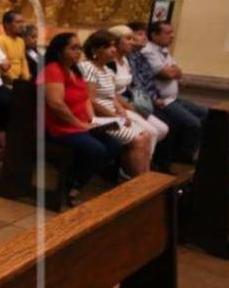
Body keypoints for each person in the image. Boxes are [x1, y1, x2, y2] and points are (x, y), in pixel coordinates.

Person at [38, 33, 122, 203]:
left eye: (80, 48)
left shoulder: (74, 69)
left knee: (114, 145)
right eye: (73, 48)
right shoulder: (53, 69)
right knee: (96, 150)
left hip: (81, 124)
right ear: (59, 50)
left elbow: (85, 98)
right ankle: (72, 185)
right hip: (61, 127)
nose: (78, 52)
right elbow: (56, 104)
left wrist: (92, 120)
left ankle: (76, 179)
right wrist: (79, 124)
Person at [79, 30, 153, 176]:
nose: (113, 50)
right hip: (97, 118)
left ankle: (145, 178)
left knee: (146, 135)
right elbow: (91, 100)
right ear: (95, 49)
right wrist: (115, 116)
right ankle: (137, 180)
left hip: (111, 115)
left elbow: (113, 96)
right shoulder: (88, 68)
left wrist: (122, 111)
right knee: (137, 139)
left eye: (114, 46)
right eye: (108, 47)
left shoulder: (107, 70)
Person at [141, 21, 207, 162]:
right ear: (154, 35)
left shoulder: (164, 51)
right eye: (168, 33)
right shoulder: (147, 51)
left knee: (207, 114)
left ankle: (194, 151)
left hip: (174, 98)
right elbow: (167, 74)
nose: (172, 36)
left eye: (172, 32)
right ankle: (184, 157)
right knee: (193, 123)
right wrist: (171, 71)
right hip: (161, 100)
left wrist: (172, 71)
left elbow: (178, 72)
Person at [108, 24, 169, 157]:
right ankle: (137, 169)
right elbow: (110, 92)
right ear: (116, 42)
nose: (132, 42)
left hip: (128, 99)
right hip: (115, 103)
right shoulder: (109, 62)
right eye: (128, 39)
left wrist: (138, 103)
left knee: (163, 129)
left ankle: (138, 160)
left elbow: (130, 85)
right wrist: (129, 107)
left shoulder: (125, 59)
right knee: (151, 132)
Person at [0, 10, 30, 83]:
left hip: (19, 81)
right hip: (6, 81)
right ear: (7, 24)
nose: (22, 25)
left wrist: (26, 79)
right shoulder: (1, 41)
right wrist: (15, 81)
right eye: (18, 22)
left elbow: (23, 61)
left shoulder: (21, 41)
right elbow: (3, 67)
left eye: (22, 22)